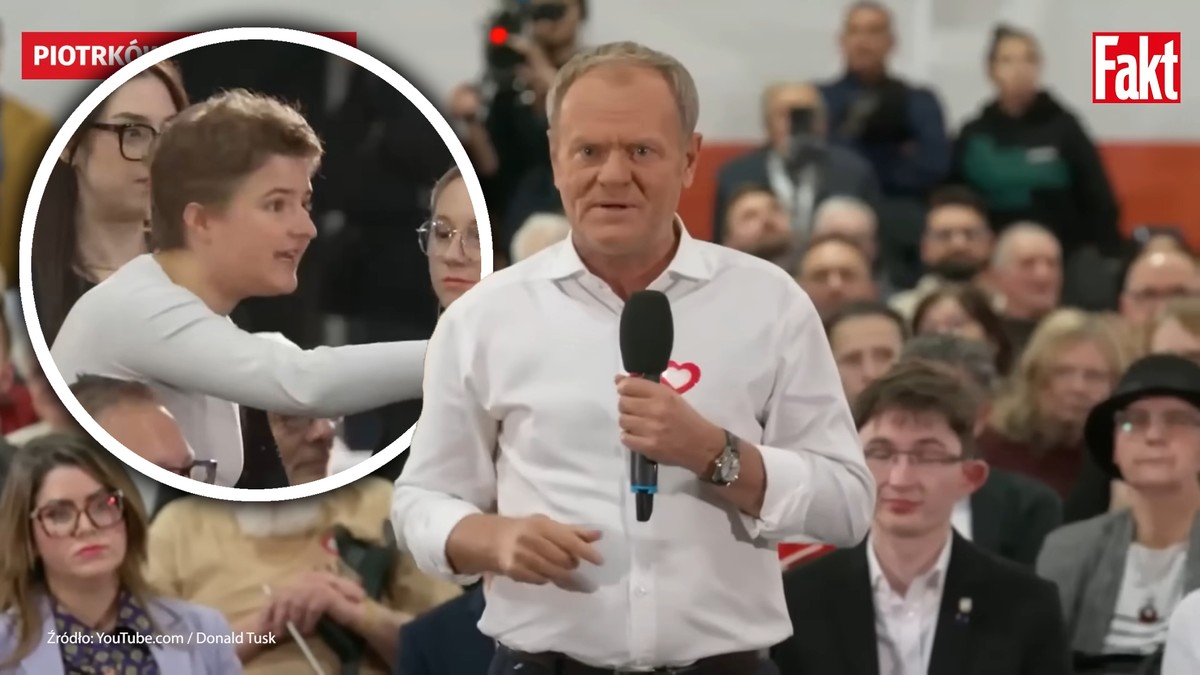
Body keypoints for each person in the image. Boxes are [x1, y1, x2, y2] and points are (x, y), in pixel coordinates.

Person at [393, 40, 873, 674]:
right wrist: (487, 537)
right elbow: (421, 500)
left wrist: (718, 455)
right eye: (589, 151)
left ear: (690, 159)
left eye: (641, 151)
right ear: (555, 160)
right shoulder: (484, 316)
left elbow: (847, 504)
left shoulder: (770, 304)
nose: (613, 175)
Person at [49, 90, 428, 488]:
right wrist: (459, 349)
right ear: (201, 221)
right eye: (276, 205)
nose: (307, 229)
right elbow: (305, 383)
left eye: (305, 204)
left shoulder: (196, 321)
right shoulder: (137, 308)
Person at [771, 361, 1071, 674]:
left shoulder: (1025, 603)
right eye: (881, 452)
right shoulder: (799, 597)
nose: (900, 479)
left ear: (970, 476)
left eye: (928, 455)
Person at [0, 433, 242, 674]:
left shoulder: (203, 630)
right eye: (59, 515)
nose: (86, 527)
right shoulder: (6, 648)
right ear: (27, 535)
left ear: (127, 515)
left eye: (102, 505)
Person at [1037, 354, 1200, 672]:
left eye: (1177, 420)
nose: (1154, 436)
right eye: (1133, 421)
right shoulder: (1068, 547)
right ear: (1114, 446)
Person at [31, 61, 189, 346]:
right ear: (69, 144)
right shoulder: (28, 288)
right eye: (133, 132)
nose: (157, 155)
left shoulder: (200, 278)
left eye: (169, 133)